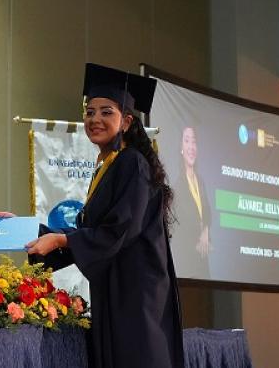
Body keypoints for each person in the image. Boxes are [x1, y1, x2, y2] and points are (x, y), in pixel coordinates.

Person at [26, 63, 184, 368]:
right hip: (118, 288)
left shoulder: (132, 163)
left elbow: (119, 230)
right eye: (89, 112)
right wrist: (26, 230)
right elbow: (93, 231)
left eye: (106, 112)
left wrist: (60, 240)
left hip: (136, 294)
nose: (94, 119)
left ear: (125, 121)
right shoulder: (110, 165)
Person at [171, 125, 211, 278]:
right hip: (187, 263)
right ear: (181, 148)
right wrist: (198, 237)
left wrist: (205, 232)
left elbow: (207, 211)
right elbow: (180, 226)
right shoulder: (177, 187)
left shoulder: (200, 181)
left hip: (203, 259)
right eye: (187, 141)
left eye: (194, 141)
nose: (191, 147)